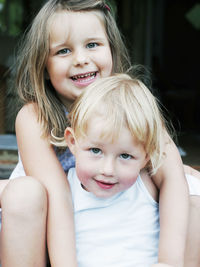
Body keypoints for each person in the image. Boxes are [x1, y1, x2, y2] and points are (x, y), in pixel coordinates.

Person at [0, 0, 199, 266]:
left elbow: (171, 172)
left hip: (112, 217)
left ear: (112, 51)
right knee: (23, 192)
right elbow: (58, 195)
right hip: (51, 228)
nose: (81, 59)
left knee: (190, 186)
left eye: (92, 45)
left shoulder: (133, 105)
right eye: (63, 51)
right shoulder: (35, 116)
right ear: (44, 66)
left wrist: (169, 260)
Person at [60, 73, 199, 266]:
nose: (108, 170)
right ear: (72, 142)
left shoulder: (149, 186)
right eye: (95, 150)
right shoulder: (62, 188)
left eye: (125, 156)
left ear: (146, 157)